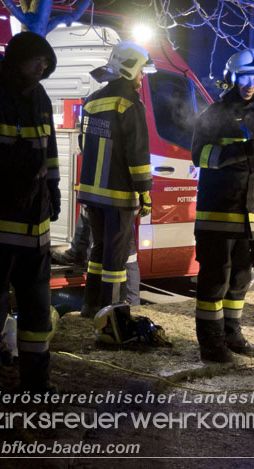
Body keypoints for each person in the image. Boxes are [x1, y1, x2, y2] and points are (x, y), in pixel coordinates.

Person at [0, 31, 60, 393]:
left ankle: (37, 381)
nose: (43, 67)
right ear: (18, 59)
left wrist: (53, 187)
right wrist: (17, 163)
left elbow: (48, 152)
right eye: (38, 60)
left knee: (37, 310)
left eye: (47, 63)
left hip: (35, 228)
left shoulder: (40, 96)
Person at [191, 48, 254, 363]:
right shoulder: (213, 115)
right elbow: (199, 156)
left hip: (248, 216)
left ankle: (232, 334)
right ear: (232, 78)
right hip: (216, 212)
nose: (250, 83)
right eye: (244, 77)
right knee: (215, 278)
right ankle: (211, 343)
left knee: (241, 276)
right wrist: (239, 151)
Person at [76, 42, 154, 318]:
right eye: (142, 71)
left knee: (97, 251)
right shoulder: (131, 104)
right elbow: (138, 155)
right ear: (130, 69)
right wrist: (145, 193)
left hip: (90, 193)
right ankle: (111, 315)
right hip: (119, 194)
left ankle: (90, 306)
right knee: (116, 258)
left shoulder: (92, 101)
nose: (142, 77)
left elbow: (83, 142)